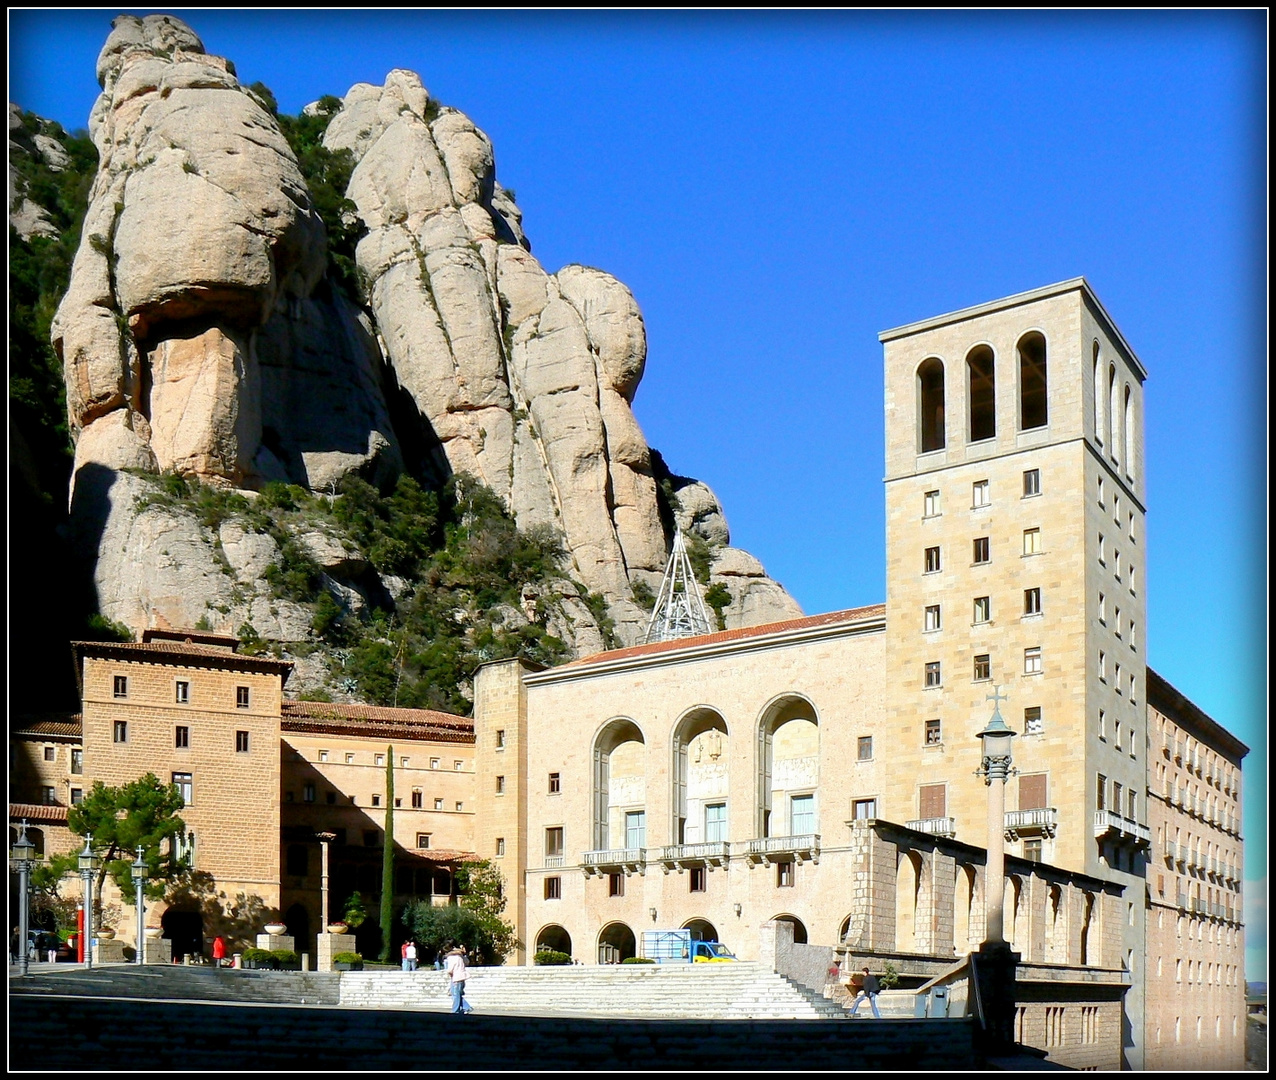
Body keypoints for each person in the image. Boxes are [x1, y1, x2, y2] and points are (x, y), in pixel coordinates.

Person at [444, 945, 473, 1014]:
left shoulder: (451, 958)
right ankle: (465, 1007)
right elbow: (467, 962)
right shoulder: (460, 956)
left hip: (456, 977)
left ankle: (457, 1010)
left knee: (455, 995)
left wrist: (448, 973)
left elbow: (450, 969)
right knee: (457, 994)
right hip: (462, 977)